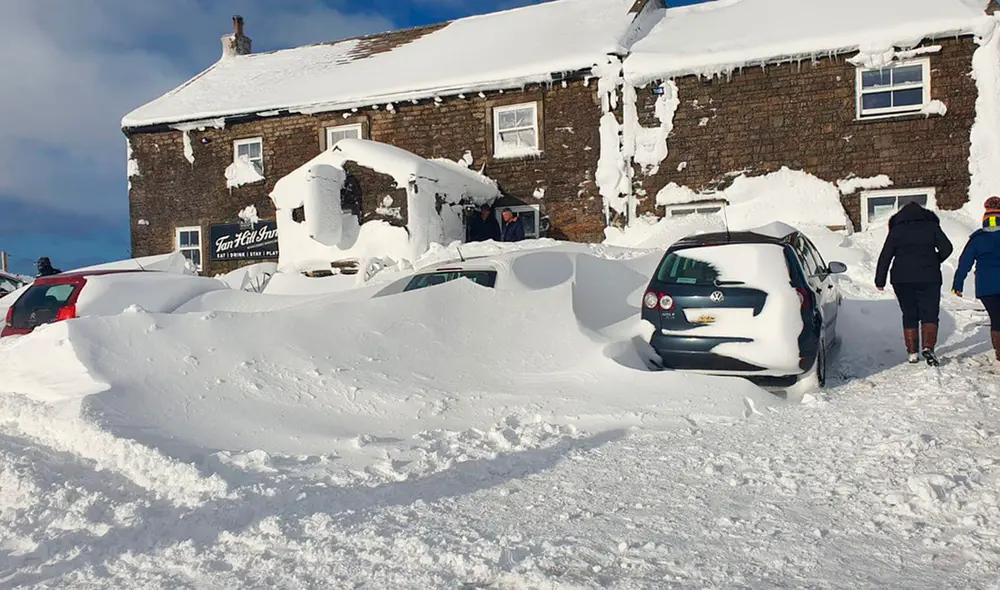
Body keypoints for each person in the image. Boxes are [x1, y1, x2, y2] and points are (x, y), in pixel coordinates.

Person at [875, 201, 953, 366]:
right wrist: (935, 260)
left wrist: (879, 279)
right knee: (930, 312)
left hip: (902, 278)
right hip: (929, 276)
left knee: (909, 313)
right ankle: (928, 347)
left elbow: (885, 256)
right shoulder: (931, 227)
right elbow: (947, 248)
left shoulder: (896, 231)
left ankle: (912, 353)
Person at [952, 196, 1000, 364]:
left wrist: (957, 284)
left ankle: (999, 352)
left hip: (986, 288)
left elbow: (965, 262)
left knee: (996, 318)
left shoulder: (977, 239)